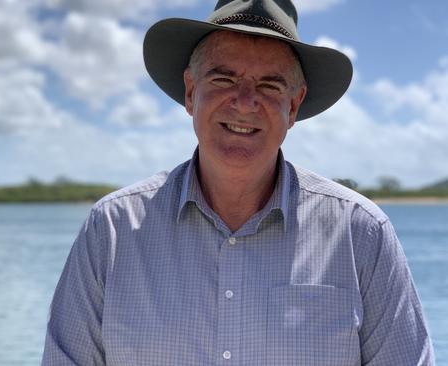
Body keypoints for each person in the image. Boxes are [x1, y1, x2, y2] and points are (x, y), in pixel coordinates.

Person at [42, 0, 435, 365]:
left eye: (269, 85)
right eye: (224, 79)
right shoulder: (110, 230)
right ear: (191, 92)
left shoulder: (362, 233)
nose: (245, 102)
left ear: (293, 105)